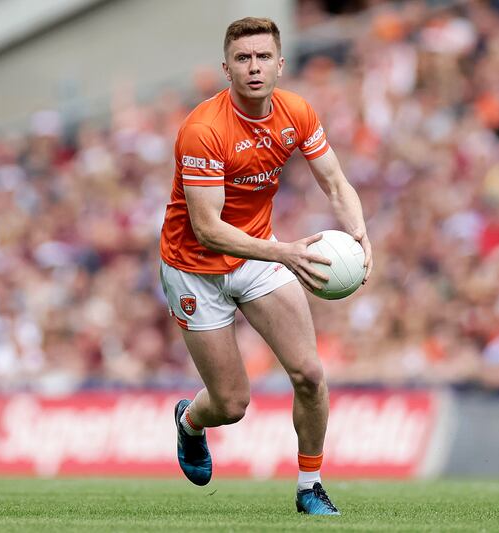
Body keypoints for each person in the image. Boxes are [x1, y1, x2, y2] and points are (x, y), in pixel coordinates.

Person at [159, 17, 372, 516]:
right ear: (227, 68)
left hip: (257, 254)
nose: (253, 68)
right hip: (196, 268)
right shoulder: (203, 131)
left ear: (280, 63)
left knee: (310, 374)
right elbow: (208, 229)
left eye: (262, 58)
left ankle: (309, 486)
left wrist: (360, 233)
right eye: (243, 59)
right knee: (231, 405)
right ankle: (191, 422)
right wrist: (285, 253)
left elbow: (337, 184)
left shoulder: (296, 112)